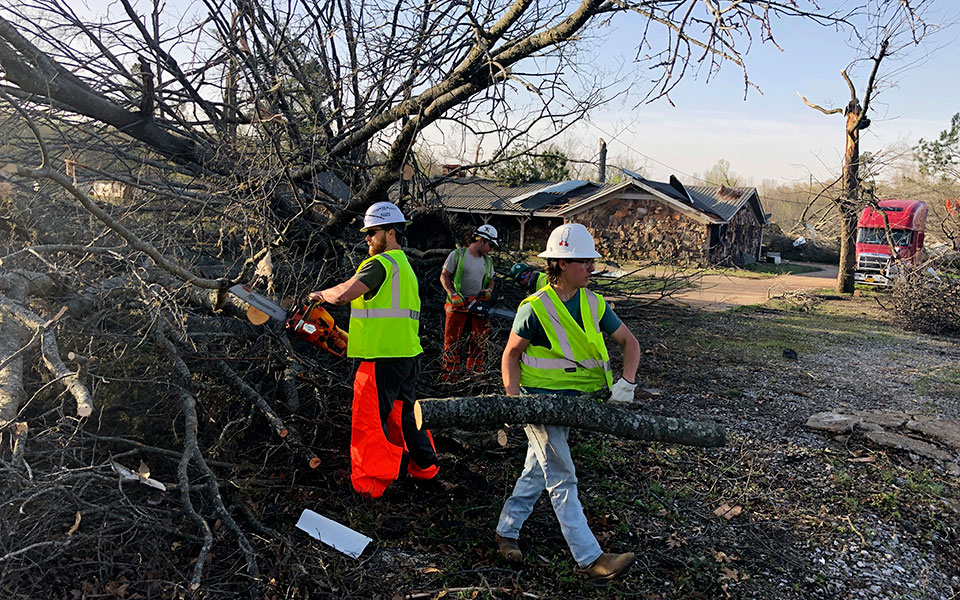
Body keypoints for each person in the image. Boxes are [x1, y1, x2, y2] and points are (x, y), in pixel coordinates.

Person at [495, 222, 641, 581]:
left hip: (574, 405)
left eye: (592, 261)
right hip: (539, 405)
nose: (592, 268)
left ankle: (506, 531)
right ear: (561, 263)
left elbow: (630, 342)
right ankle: (591, 558)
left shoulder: (594, 303)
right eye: (585, 261)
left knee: (536, 471)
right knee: (562, 476)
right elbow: (511, 355)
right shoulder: (534, 308)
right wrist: (514, 401)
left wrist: (627, 382)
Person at [308, 201, 438, 498]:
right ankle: (425, 468)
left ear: (391, 232)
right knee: (405, 418)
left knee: (369, 421)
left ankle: (369, 484)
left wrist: (319, 295)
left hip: (380, 360)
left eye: (372, 232)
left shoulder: (380, 264)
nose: (367, 238)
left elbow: (343, 294)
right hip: (405, 356)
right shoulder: (403, 265)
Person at [439, 224, 499, 379]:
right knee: (452, 342)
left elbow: (492, 280)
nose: (490, 249)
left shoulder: (488, 261)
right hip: (457, 305)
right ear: (482, 240)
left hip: (478, 305)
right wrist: (452, 294)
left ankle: (474, 376)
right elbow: (444, 276)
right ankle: (450, 376)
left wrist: (488, 291)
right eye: (490, 245)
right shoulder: (458, 255)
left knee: (479, 343)